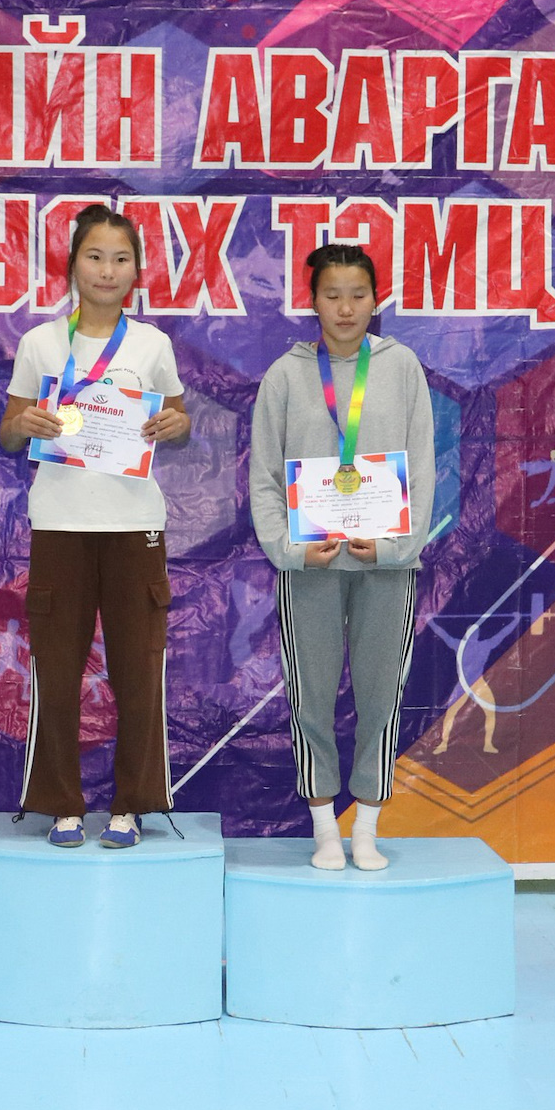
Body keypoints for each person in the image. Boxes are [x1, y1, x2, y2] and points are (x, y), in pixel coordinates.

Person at [0, 204, 191, 849]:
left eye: (121, 258)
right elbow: (8, 431)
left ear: (137, 271)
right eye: (95, 256)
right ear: (73, 265)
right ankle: (63, 805)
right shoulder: (40, 343)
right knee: (56, 669)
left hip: (135, 524)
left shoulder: (152, 345)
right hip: (60, 524)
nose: (107, 270)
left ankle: (130, 805)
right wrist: (24, 425)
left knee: (138, 670)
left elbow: (179, 420)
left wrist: (176, 424)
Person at [248, 244, 435, 871]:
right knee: (312, 698)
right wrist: (291, 550)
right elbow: (265, 477)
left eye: (358, 295)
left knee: (382, 698)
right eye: (332, 295)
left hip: (387, 565)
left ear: (376, 300)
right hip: (312, 567)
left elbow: (423, 467)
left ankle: (367, 829)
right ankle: (326, 828)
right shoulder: (286, 375)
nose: (346, 308)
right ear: (313, 302)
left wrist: (395, 547)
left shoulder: (401, 366)